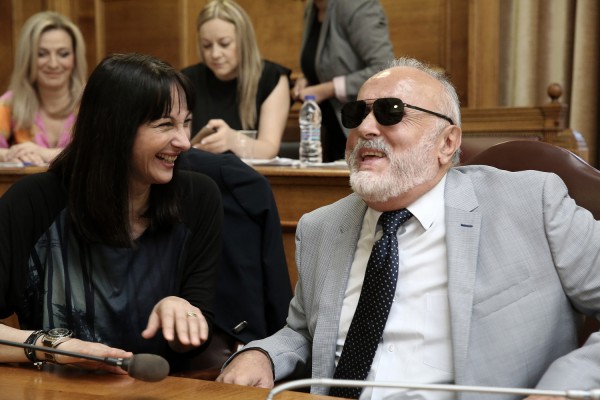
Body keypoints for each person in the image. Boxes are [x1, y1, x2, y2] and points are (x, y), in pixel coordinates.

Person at [217, 56, 600, 399]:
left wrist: (564, 390)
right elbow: (304, 332)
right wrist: (264, 355)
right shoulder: (321, 227)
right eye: (356, 114)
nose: (366, 127)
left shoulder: (531, 203)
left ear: (447, 142)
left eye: (390, 112)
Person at [0, 53, 223, 374]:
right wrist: (53, 347)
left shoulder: (198, 198)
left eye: (185, 122)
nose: (185, 142)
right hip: (54, 388)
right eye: (165, 125)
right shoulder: (35, 200)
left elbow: (195, 342)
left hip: (157, 389)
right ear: (113, 129)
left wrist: (184, 312)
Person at [182, 0, 291, 160]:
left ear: (244, 41)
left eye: (224, 44)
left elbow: (269, 150)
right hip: (199, 171)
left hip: (252, 173)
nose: (215, 54)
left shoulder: (271, 77)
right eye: (206, 45)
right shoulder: (188, 79)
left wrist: (233, 140)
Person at [292, 0, 394, 162]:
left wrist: (328, 89)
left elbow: (384, 68)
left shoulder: (356, 4)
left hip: (358, 125)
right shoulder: (312, 8)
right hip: (326, 127)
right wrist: (308, 79)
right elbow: (324, 62)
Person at [0, 11, 87, 166]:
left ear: (75, 58)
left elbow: (108, 154)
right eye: (42, 54)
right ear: (28, 58)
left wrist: (45, 153)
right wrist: (9, 154)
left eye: (63, 54)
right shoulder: (9, 103)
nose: (53, 64)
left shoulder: (93, 100)